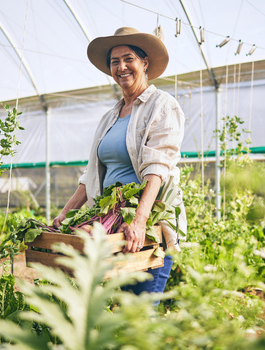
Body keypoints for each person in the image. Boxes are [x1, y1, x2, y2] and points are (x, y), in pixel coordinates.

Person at [53, 27, 186, 297]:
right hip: (113, 230)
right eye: (115, 62)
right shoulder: (110, 117)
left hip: (145, 229)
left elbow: (156, 169)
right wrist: (65, 214)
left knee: (140, 315)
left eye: (129, 59)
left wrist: (139, 220)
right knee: (121, 314)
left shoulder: (161, 105)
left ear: (144, 63)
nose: (121, 67)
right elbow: (91, 176)